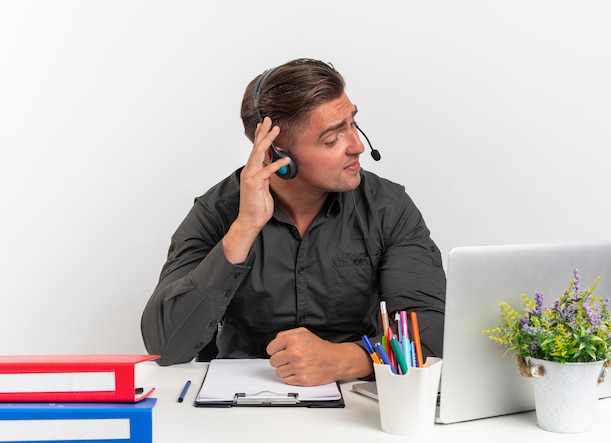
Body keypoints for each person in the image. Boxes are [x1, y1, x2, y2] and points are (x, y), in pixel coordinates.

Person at [141, 58, 446, 386]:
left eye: (352, 123)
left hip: (359, 399)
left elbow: (431, 328)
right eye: (332, 139)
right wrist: (244, 228)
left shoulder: (387, 208)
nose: (357, 146)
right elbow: (165, 346)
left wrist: (345, 360)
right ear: (277, 155)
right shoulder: (217, 212)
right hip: (243, 402)